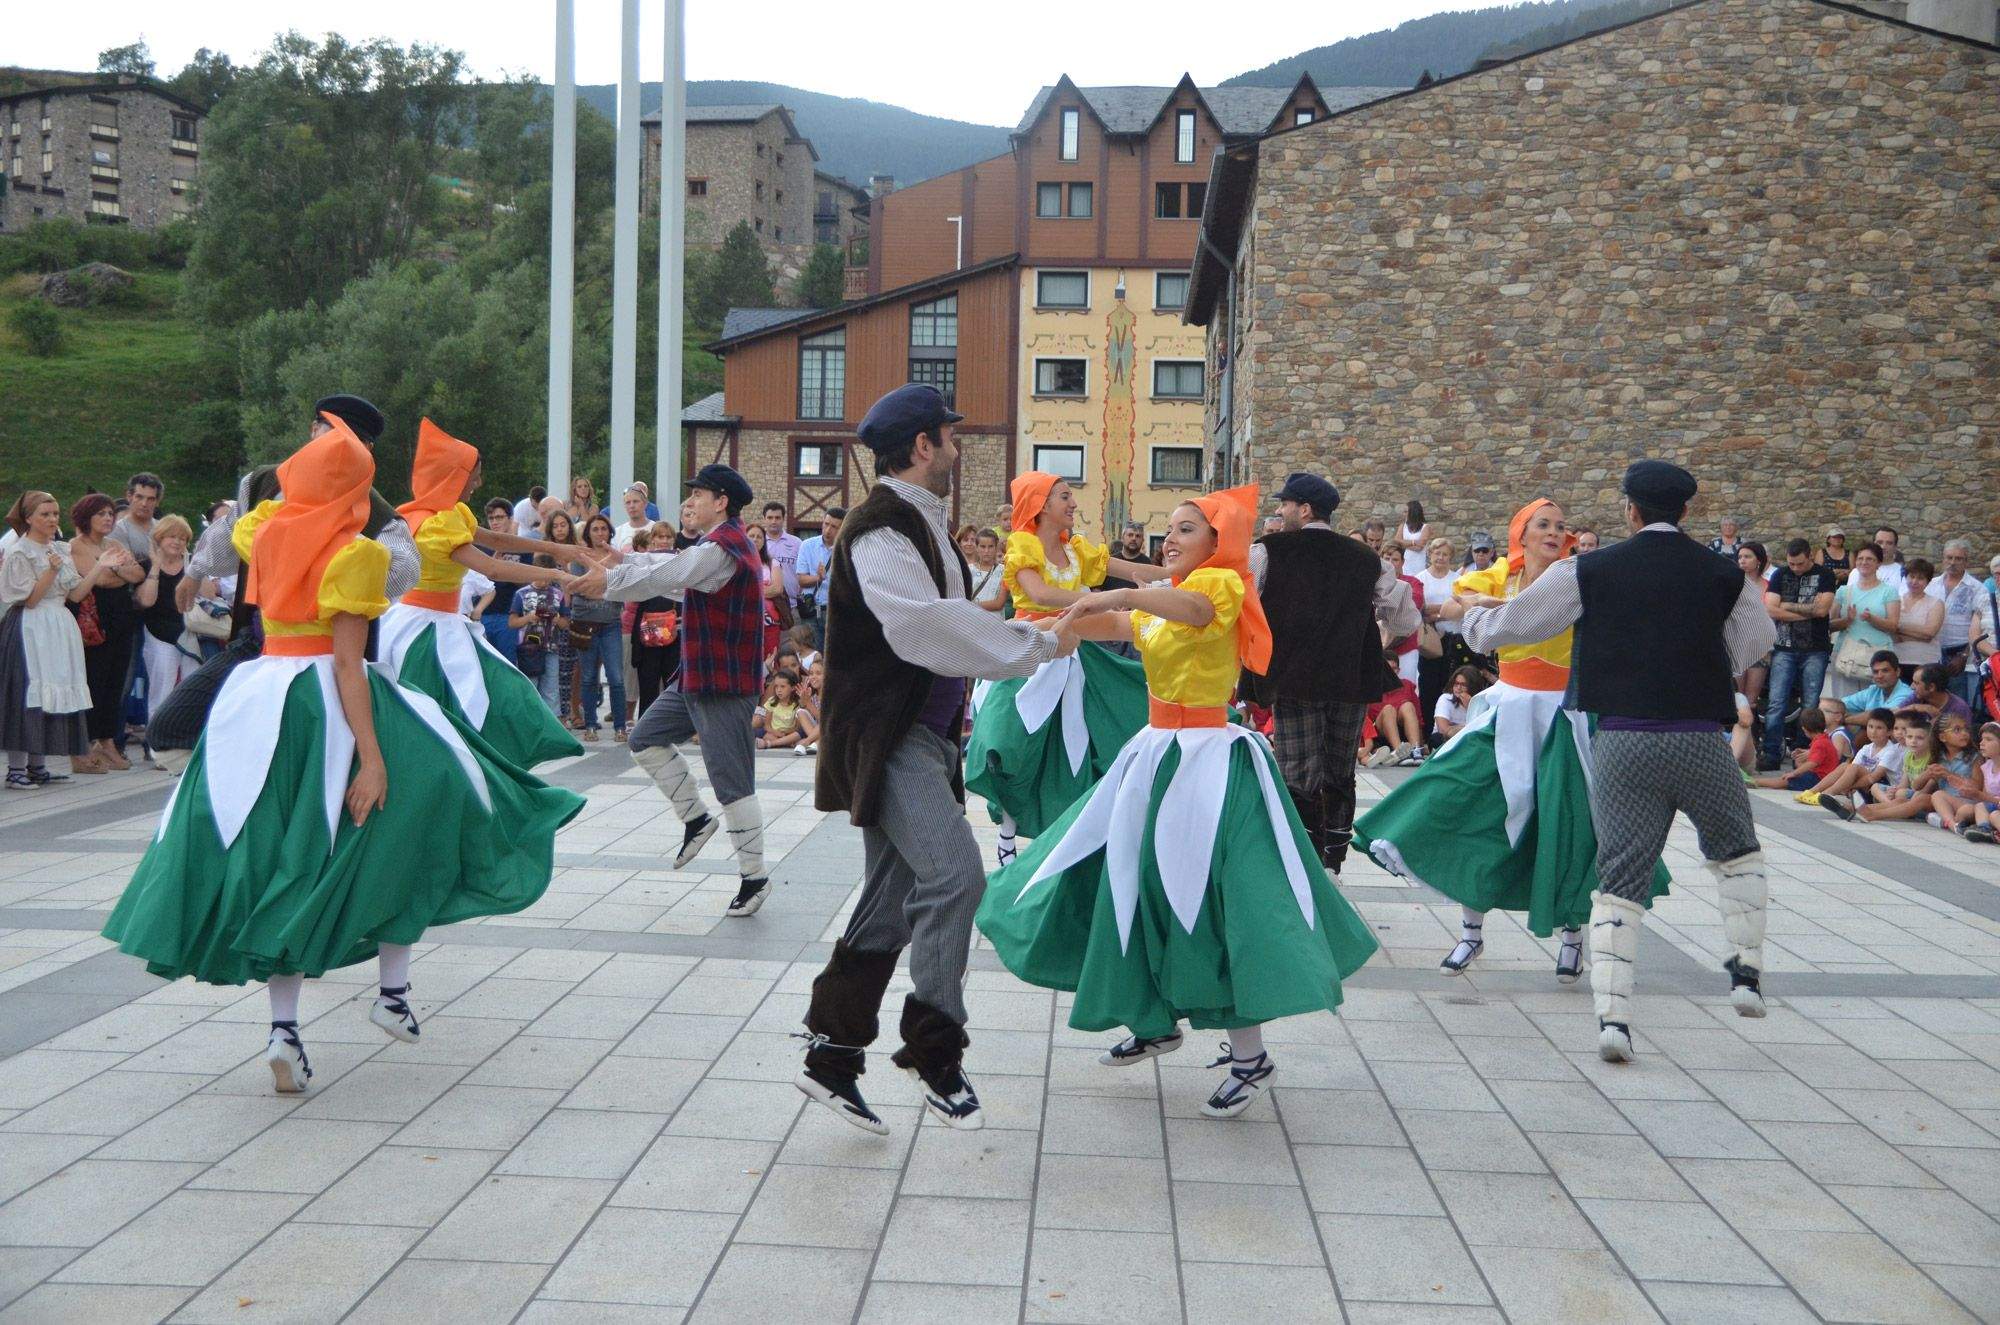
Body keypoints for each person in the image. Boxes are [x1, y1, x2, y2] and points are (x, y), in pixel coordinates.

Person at [101, 420, 584, 1094]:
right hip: (326, 692)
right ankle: (392, 988)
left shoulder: (263, 528)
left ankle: (285, 1029)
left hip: (260, 698)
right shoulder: (354, 555)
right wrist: (372, 757)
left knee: (284, 851)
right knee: (422, 804)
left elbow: (249, 515)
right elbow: (351, 666)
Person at [979, 485, 1379, 1118]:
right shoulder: (1166, 598)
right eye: (1170, 528)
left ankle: (1249, 1058)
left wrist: (1113, 589)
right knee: (1130, 880)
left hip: (1210, 764)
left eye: (1186, 530)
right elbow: (1117, 625)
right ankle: (1153, 1017)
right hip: (1157, 754)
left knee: (1218, 897)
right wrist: (1054, 626)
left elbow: (1182, 609)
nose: (1171, 538)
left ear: (1217, 543)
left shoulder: (1221, 585)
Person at [786, 385, 1081, 1132]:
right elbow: (920, 626)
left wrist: (1044, 620)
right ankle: (935, 1049)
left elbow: (953, 614)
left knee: (890, 900)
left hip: (919, 737)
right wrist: (1037, 644)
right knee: (956, 875)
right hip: (890, 739)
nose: (959, 447)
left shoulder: (920, 522)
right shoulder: (879, 526)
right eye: (952, 435)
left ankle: (831, 1055)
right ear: (923, 445)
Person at [1442, 462, 1775, 1063]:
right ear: (1687, 512)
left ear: (1630, 510)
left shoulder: (1587, 568)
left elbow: (1510, 628)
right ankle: (1747, 973)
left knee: (1619, 876)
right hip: (1699, 734)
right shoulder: (1727, 574)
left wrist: (1471, 615)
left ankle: (1614, 1021)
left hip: (1623, 735)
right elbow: (1756, 640)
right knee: (1737, 850)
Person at [1358, 498, 1668, 983]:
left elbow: (1521, 617)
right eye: (1542, 524)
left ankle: (1571, 937)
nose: (1553, 531)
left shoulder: (1576, 578)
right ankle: (1470, 932)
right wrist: (1473, 603)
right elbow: (1457, 604)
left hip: (1565, 714)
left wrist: (1490, 608)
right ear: (1520, 533)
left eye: (1560, 525)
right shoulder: (1498, 574)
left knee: (1568, 822)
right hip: (1507, 707)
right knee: (1463, 803)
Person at [156, 396, 421, 770]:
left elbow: (404, 571)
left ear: (364, 453)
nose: (333, 451)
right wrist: (195, 571)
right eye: (329, 436)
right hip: (259, 642)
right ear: (313, 432)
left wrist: (343, 557)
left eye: (348, 444)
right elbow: (228, 536)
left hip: (331, 653)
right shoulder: (263, 489)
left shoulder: (373, 514)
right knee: (169, 732)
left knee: (326, 764)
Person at [571, 464, 774, 918]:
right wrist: (621, 562)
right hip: (698, 676)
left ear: (721, 502)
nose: (690, 502)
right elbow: (671, 569)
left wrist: (609, 580)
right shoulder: (713, 546)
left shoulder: (725, 548)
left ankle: (755, 877)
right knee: (644, 738)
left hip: (723, 681)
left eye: (698, 495)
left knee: (732, 781)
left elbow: (672, 575)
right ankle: (696, 819)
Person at [963, 471, 1157, 867]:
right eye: (1065, 496)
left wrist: (1183, 575)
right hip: (1028, 650)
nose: (1073, 503)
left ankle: (1068, 834)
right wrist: (1098, 602)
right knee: (1009, 743)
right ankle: (1008, 827)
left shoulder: (1077, 550)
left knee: (1073, 747)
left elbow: (1126, 571)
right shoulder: (1023, 545)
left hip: (1071, 652)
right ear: (1041, 506)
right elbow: (1039, 594)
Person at [376, 420, 582, 769]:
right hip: (426, 629)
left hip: (441, 622)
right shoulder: (434, 523)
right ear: (452, 475)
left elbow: (498, 541)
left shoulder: (449, 513)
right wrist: (557, 572)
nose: (479, 483)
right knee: (459, 704)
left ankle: (485, 771)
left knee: (497, 694)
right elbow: (493, 568)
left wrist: (562, 550)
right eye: (475, 475)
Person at [1249, 472, 1420, 872]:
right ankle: (1333, 863)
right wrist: (1376, 636)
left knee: (1297, 769)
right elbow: (1407, 618)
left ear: (1304, 509)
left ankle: (1304, 861)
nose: (1279, 510)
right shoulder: (1367, 559)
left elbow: (1243, 603)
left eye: (1285, 504)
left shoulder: (1268, 551)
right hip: (1349, 676)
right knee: (1339, 769)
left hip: (1295, 675)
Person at [1, 491, 93, 788]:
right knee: (27, 690)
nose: (52, 519)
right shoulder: (20, 551)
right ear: (28, 518)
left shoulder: (59, 550)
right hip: (31, 626)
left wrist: (100, 568)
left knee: (52, 687)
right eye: (45, 514)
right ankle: (16, 768)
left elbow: (76, 594)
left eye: (54, 514)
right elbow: (28, 600)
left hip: (57, 624)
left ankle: (37, 764)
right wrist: (51, 571)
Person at [69, 493, 143, 772]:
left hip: (121, 617)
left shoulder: (114, 544)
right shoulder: (74, 546)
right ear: (86, 517)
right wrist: (115, 569)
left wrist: (116, 569)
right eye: (101, 514)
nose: (108, 518)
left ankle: (107, 739)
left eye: (111, 514)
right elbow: (96, 578)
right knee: (94, 680)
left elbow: (137, 576)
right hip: (93, 619)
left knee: (117, 680)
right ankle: (85, 743)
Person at [1762, 537, 1836, 771]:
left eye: (1800, 564)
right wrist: (1808, 611)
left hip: (1815, 648)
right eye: (1791, 564)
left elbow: (1823, 609)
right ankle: (1772, 752)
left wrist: (1787, 605)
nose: (1795, 568)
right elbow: (1771, 609)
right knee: (1776, 702)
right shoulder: (1779, 575)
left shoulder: (1824, 575)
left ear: (1810, 556)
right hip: (1784, 647)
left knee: (1810, 704)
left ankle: (1804, 755)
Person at [132, 514, 203, 752]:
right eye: (172, 536)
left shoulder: (192, 565)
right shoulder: (145, 565)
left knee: (192, 687)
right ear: (160, 538)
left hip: (189, 633)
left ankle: (185, 741)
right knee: (160, 689)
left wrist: (195, 569)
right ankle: (155, 744)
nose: (177, 542)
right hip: (158, 634)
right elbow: (146, 601)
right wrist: (155, 566)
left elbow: (211, 594)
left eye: (183, 538)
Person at [566, 515, 628, 743]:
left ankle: (620, 727)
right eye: (595, 529)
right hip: (584, 623)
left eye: (604, 529)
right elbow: (576, 587)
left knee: (616, 676)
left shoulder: (617, 558)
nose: (600, 533)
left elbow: (622, 587)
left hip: (611, 623)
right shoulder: (580, 558)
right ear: (588, 533)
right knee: (589, 675)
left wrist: (599, 587)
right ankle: (590, 724)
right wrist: (604, 587)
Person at [1822, 710, 1934, 822]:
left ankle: (1870, 814)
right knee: (1888, 792)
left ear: (1930, 740)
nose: (1913, 741)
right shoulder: (1909, 756)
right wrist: (1895, 791)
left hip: (1921, 798)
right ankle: (1851, 809)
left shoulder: (1932, 758)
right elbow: (1904, 782)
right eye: (1910, 737)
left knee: (1901, 797)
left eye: (1919, 738)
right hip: (1904, 794)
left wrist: (1901, 793)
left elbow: (1925, 788)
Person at [1796, 707, 1902, 810]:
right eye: (1870, 726)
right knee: (1845, 766)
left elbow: (1873, 778)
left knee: (1854, 768)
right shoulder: (1867, 748)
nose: (1873, 731)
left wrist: (1849, 787)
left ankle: (1827, 794)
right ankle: (1812, 791)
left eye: (1879, 728)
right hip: (1863, 786)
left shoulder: (1891, 751)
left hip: (1881, 790)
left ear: (1889, 732)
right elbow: (1850, 769)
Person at [1830, 543, 1899, 693]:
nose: (1864, 562)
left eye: (1870, 559)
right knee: (1844, 704)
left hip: (1878, 657)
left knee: (1875, 707)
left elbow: (1893, 626)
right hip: (1846, 655)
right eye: (1860, 558)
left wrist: (1872, 619)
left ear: (1878, 563)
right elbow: (1829, 624)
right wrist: (1847, 620)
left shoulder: (1889, 592)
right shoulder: (1843, 591)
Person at [508, 558, 571, 715]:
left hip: (552, 647)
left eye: (547, 577)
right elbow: (512, 622)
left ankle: (553, 723)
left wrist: (556, 619)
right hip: (528, 648)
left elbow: (566, 623)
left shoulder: (558, 594)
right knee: (531, 685)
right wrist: (529, 617)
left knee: (551, 687)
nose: (544, 581)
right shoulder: (521, 594)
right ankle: (531, 720)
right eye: (540, 575)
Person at [1932, 540, 1984, 712]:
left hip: (1959, 656)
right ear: (1943, 558)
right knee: (1933, 707)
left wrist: (1963, 655)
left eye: (1958, 558)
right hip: (1932, 654)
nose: (1953, 562)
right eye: (1949, 557)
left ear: (1966, 561)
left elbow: (1980, 627)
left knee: (1958, 708)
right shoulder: (1932, 585)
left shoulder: (1977, 589)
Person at [1749, 706, 1841, 792]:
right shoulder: (1824, 739)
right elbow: (1820, 755)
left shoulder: (1820, 743)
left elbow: (1812, 763)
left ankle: (1757, 782)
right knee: (1798, 763)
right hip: (1821, 775)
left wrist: (1794, 773)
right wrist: (1804, 752)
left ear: (1804, 729)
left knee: (1785, 780)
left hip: (1819, 778)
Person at [1935, 722, 2000, 843]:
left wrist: (1977, 794)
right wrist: (1969, 791)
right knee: (1975, 808)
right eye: (1982, 739)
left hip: (1996, 810)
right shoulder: (1987, 766)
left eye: (1989, 739)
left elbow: (1986, 797)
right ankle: (1982, 829)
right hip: (1990, 807)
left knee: (1994, 815)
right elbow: (1985, 799)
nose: (1982, 743)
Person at [1733, 543, 1772, 726]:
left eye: (1747, 556)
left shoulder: (1768, 586)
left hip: (1760, 645)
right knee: (1737, 696)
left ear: (1759, 560)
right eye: (1740, 557)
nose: (1742, 560)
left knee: (1751, 698)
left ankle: (1752, 740)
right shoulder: (1733, 584)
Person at [794, 506, 843, 642]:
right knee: (812, 655)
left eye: (834, 527)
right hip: (810, 608)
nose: (828, 530)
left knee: (831, 657)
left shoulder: (846, 549)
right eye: (826, 524)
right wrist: (818, 578)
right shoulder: (807, 545)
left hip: (834, 612)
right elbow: (801, 579)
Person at [1891, 557, 1943, 682]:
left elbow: (1929, 633)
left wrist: (1898, 628)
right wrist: (1917, 634)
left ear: (1927, 581)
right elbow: (1889, 631)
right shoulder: (1895, 600)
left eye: (1920, 578)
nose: (1914, 581)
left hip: (1925, 663)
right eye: (1911, 576)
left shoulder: (1936, 603)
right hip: (1897, 660)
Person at [1838, 650, 1916, 729]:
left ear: (1897, 672)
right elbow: (1840, 704)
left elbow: (1879, 718)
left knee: (1868, 728)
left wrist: (1844, 720)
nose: (1880, 676)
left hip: (1897, 739)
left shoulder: (1906, 694)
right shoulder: (1873, 690)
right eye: (1875, 672)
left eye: (1885, 671)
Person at [760, 500, 802, 614]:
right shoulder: (757, 543)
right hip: (763, 607)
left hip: (791, 607)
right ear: (764, 519)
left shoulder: (797, 543)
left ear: (783, 519)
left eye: (777, 518)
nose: (774, 521)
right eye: (770, 517)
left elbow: (803, 572)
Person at [1901, 662, 1974, 728]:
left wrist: (1937, 716)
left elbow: (1963, 738)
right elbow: (1893, 716)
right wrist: (1913, 707)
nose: (1912, 687)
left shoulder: (1959, 708)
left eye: (1916, 683)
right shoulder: (1917, 697)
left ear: (1931, 687)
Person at [754, 669, 814, 750]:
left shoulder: (797, 704)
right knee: (763, 734)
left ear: (792, 688)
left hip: (790, 733)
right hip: (773, 733)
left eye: (782, 686)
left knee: (799, 734)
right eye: (776, 686)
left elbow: (797, 727)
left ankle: (780, 742)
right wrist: (775, 732)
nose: (779, 690)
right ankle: (786, 743)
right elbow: (767, 725)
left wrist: (786, 732)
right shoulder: (771, 702)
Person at [1432, 665, 1483, 746]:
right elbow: (1442, 730)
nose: (1458, 688)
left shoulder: (1481, 702)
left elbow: (1481, 729)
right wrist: (1465, 729)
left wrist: (1470, 707)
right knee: (1437, 738)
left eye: (1463, 685)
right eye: (1456, 684)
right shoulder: (1445, 698)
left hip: (1470, 742)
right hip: (1447, 741)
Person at [968, 528, 1006, 610]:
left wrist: (969, 606)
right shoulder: (968, 570)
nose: (986, 551)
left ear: (996, 547)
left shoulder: (1004, 571)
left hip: (994, 621)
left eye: (990, 547)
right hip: (972, 620)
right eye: (982, 546)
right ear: (977, 547)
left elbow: (999, 603)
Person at [1397, 499, 1432, 578]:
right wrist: (1414, 542)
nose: (1404, 514)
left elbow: (1419, 547)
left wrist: (1403, 543)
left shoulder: (1426, 527)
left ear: (1413, 513)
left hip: (1419, 564)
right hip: (1405, 563)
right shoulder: (1402, 526)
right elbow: (1396, 542)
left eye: (1406, 512)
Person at [611, 485, 652, 551]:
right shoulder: (617, 533)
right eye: (628, 502)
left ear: (645, 503)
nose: (632, 506)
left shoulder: (655, 529)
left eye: (635, 501)